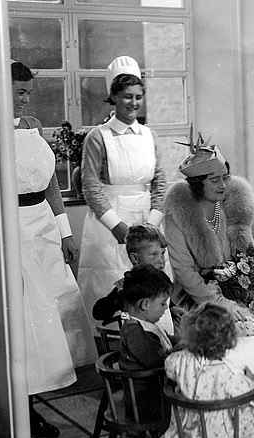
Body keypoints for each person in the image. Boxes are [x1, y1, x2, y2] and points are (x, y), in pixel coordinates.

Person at [4, 61, 97, 438]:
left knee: (54, 314)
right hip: (15, 228)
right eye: (19, 92)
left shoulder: (32, 126)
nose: (26, 100)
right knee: (27, 321)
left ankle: (36, 405)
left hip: (42, 224)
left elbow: (51, 186)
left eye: (28, 92)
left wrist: (65, 233)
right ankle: (20, 414)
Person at [78, 55, 167, 315]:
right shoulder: (98, 137)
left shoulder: (149, 135)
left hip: (146, 218)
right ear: (114, 97)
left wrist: (153, 224)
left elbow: (160, 181)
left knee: (151, 290)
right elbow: (91, 186)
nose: (133, 103)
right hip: (110, 223)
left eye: (138, 97)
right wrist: (117, 227)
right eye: (127, 96)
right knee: (113, 284)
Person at [151, 302, 254, 438]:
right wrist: (249, 379)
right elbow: (246, 394)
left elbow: (169, 367)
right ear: (228, 340)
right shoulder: (228, 373)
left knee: (222, 413)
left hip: (190, 435)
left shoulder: (180, 361)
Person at [164, 134, 254, 322]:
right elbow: (184, 271)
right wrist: (220, 302)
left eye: (225, 178)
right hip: (193, 298)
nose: (223, 186)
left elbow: (248, 258)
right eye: (214, 180)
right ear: (198, 184)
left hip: (235, 294)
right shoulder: (178, 213)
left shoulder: (232, 204)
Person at [92, 224, 174, 335]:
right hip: (141, 342)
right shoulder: (128, 285)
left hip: (166, 337)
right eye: (154, 254)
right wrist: (118, 301)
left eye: (162, 254)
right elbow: (98, 312)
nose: (161, 261)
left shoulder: (163, 280)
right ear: (135, 258)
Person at [119, 263, 175, 423]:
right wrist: (181, 350)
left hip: (156, 392)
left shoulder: (145, 322)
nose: (165, 308)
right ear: (144, 304)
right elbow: (156, 360)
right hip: (146, 402)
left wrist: (187, 340)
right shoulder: (133, 330)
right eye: (163, 303)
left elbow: (165, 340)